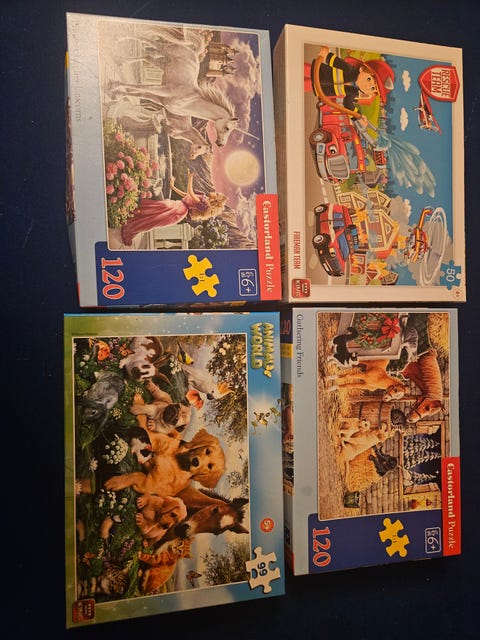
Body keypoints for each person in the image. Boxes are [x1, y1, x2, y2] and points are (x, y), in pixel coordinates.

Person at [121, 169, 227, 246]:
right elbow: (186, 195)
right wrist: (173, 187)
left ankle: (131, 227)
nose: (215, 193)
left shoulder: (205, 205)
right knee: (156, 208)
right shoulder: (203, 196)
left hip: (180, 211)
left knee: (155, 219)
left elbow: (190, 193)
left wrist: (190, 179)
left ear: (216, 201)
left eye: (217, 194)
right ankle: (131, 212)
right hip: (177, 205)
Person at [304, 46, 394, 125]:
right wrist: (326, 55)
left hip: (321, 88)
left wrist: (358, 117)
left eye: (373, 88)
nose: (367, 86)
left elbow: (348, 104)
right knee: (301, 69)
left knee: (302, 86)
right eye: (368, 79)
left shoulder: (354, 92)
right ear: (362, 69)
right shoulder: (350, 70)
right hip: (318, 71)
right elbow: (337, 62)